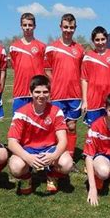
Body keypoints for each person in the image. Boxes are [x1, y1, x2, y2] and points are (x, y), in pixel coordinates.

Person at [7, 75, 73, 194]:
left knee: (67, 164)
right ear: (30, 92)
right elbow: (11, 143)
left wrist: (53, 156)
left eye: (45, 92)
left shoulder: (56, 111)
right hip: (28, 149)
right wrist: (28, 158)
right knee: (16, 167)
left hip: (49, 149)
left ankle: (52, 175)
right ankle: (26, 177)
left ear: (49, 93)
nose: (41, 95)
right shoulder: (21, 113)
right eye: (37, 92)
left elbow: (63, 140)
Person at [45, 13, 84, 157]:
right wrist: (54, 85)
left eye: (71, 27)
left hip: (74, 94)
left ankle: (71, 156)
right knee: (58, 127)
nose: (68, 30)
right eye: (66, 27)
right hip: (57, 95)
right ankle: (57, 156)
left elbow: (82, 72)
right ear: (61, 27)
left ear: (75, 28)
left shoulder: (80, 49)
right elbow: (47, 70)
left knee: (72, 126)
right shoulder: (51, 48)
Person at [81, 26, 110, 126]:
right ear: (93, 40)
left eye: (103, 39)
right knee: (93, 128)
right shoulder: (88, 57)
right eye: (97, 40)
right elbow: (84, 79)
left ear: (107, 39)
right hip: (93, 100)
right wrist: (85, 101)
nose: (100, 42)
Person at [9, 13, 46, 113]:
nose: (27, 28)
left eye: (30, 25)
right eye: (25, 25)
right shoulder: (14, 47)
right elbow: (15, 68)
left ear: (34, 26)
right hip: (20, 93)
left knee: (38, 125)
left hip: (37, 92)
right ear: (21, 26)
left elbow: (45, 69)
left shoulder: (42, 46)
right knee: (19, 125)